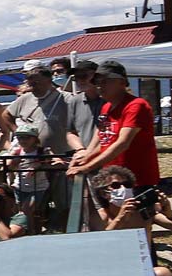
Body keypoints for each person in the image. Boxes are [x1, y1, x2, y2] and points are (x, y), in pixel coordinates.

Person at [5, 57, 85, 226]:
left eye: (37, 83)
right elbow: (6, 115)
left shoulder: (66, 99)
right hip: (33, 160)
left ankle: (65, 230)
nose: (33, 87)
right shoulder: (25, 99)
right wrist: (18, 134)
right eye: (30, 83)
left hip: (59, 159)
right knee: (34, 204)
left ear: (49, 81)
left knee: (63, 200)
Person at [68, 60, 160, 191]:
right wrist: (85, 158)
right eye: (97, 82)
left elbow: (122, 143)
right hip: (112, 179)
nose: (100, 86)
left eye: (105, 81)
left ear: (122, 82)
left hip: (137, 180)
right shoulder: (106, 107)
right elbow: (105, 140)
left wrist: (87, 168)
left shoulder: (136, 105)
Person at [89, 166, 172, 276]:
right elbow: (95, 246)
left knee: (164, 275)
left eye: (126, 184)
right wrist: (119, 219)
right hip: (108, 272)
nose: (123, 189)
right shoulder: (99, 217)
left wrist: (171, 213)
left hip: (140, 270)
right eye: (115, 186)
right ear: (104, 193)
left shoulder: (144, 212)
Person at [5, 123, 57, 235]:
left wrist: (38, 166)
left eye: (26, 137)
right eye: (20, 137)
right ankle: (29, 231)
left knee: (28, 209)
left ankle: (32, 233)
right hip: (20, 186)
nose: (23, 140)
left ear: (34, 138)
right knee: (23, 212)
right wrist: (12, 162)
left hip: (38, 187)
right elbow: (8, 166)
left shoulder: (43, 151)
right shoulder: (18, 152)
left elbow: (56, 163)